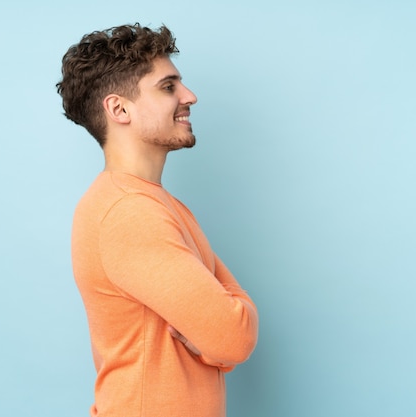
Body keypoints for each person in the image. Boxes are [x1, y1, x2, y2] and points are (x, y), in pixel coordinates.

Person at [56, 23, 259, 417]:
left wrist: (222, 336)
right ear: (119, 109)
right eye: (168, 87)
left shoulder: (158, 204)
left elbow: (226, 336)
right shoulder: (129, 212)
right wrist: (224, 333)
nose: (189, 96)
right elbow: (235, 335)